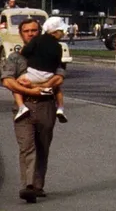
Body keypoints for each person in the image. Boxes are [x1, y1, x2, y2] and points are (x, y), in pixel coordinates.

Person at [1, 17, 66, 203]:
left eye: (34, 30)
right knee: (27, 146)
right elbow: (7, 81)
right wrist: (30, 90)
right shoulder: (16, 57)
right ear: (21, 34)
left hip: (46, 106)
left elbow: (60, 75)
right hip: (25, 107)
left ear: (40, 32)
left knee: (42, 147)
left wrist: (46, 83)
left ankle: (38, 185)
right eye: (27, 31)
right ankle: (28, 186)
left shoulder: (51, 50)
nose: (30, 33)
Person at [14, 17, 68, 124]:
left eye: (34, 30)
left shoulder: (36, 41)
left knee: (18, 81)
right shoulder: (58, 46)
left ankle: (21, 106)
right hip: (50, 74)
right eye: (62, 31)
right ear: (55, 32)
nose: (63, 34)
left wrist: (22, 52)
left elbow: (25, 51)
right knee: (58, 89)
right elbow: (58, 62)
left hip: (34, 74)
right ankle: (61, 107)